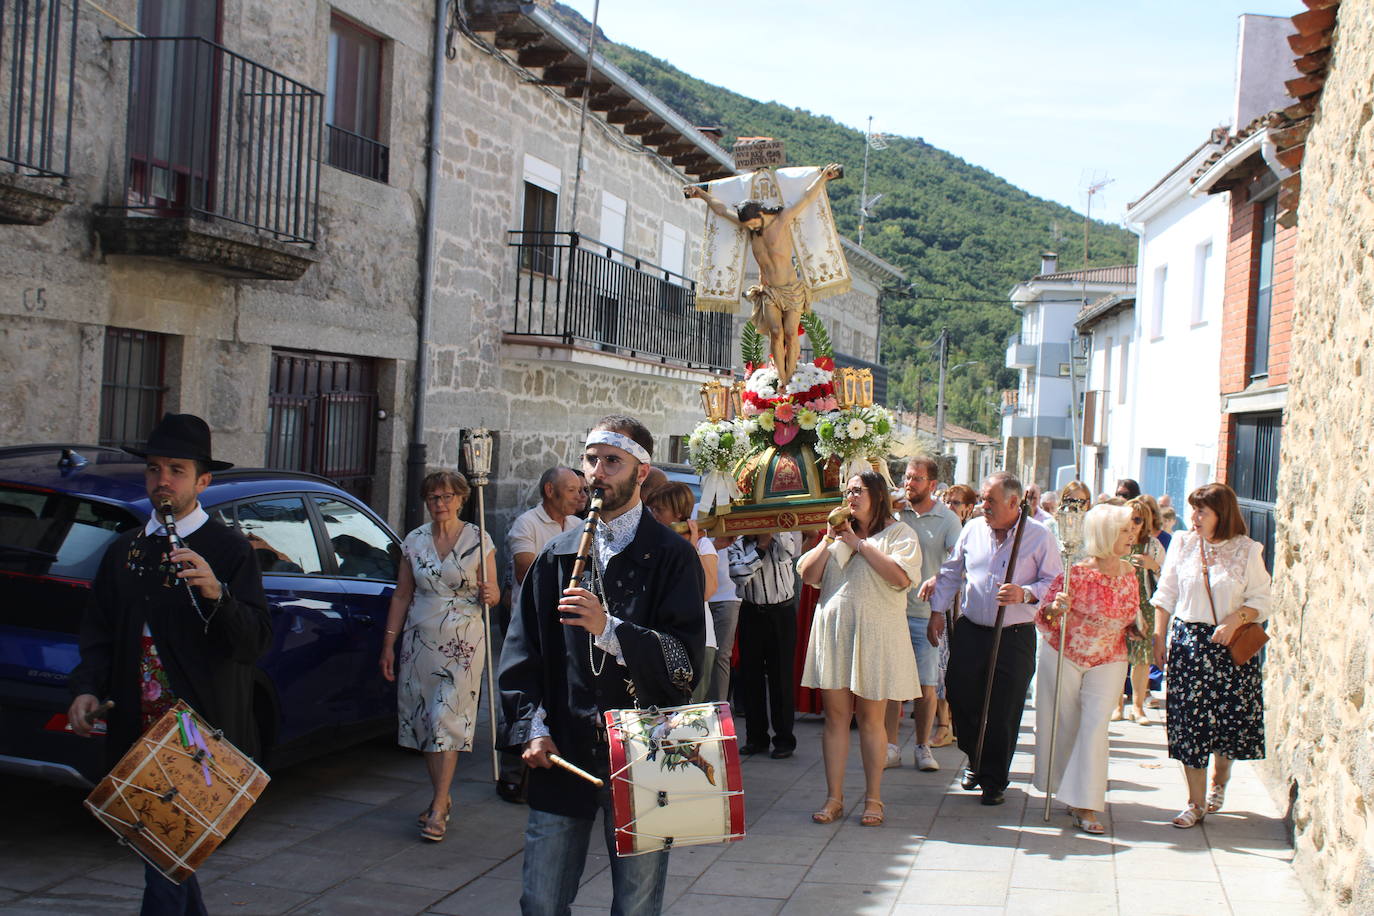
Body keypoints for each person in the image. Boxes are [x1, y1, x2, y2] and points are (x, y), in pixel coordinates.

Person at [497, 416, 706, 915]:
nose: (597, 472)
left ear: (641, 471)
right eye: (591, 459)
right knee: (540, 899)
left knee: (635, 903)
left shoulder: (674, 556)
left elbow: (684, 663)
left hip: (644, 745)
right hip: (565, 742)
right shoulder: (556, 554)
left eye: (612, 461)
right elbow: (522, 650)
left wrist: (610, 630)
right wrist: (531, 726)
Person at [67, 413, 271, 916]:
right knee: (165, 852)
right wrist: (87, 688)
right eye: (155, 469)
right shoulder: (124, 551)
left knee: (163, 851)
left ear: (202, 481)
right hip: (136, 724)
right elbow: (99, 633)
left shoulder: (229, 551)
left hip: (198, 731)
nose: (163, 480)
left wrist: (217, 593)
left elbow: (253, 642)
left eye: (176, 469)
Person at [928, 471, 1063, 806]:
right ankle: (975, 756)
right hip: (972, 630)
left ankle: (993, 778)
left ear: (1014, 502)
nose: (983, 505)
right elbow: (951, 571)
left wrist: (1026, 593)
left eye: (990, 499)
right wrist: (936, 611)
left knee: (1004, 709)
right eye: (982, 498)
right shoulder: (973, 529)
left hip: (1014, 636)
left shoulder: (1038, 536)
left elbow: (1057, 582)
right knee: (960, 696)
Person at [378, 470, 498, 841]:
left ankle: (438, 803)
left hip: (463, 641)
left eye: (447, 497)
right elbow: (401, 594)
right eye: (433, 498)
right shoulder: (413, 541)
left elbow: (493, 591)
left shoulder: (480, 538)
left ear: (461, 499)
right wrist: (388, 643)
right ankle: (441, 799)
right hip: (420, 638)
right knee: (428, 721)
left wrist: (489, 595)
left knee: (447, 717)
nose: (440, 504)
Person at [799, 472, 921, 827]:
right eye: (847, 491)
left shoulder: (900, 534)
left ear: (877, 494)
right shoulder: (837, 534)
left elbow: (901, 579)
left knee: (871, 719)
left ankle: (874, 799)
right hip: (835, 632)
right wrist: (827, 540)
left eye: (857, 490)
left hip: (876, 634)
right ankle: (833, 797)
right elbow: (808, 576)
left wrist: (858, 543)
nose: (850, 496)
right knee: (835, 718)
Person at [1150, 483, 1271, 829]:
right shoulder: (1184, 545)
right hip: (1189, 645)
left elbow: (1263, 599)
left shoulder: (1247, 551)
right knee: (1190, 726)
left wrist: (1236, 619)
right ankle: (1195, 802)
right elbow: (1166, 593)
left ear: (1222, 514)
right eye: (1194, 510)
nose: (1195, 517)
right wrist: (1160, 636)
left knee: (1226, 727)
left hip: (1230, 648)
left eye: (1203, 511)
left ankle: (1219, 782)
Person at [1033, 504, 1141, 834]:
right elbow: (1044, 617)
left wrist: (1136, 625)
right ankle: (1068, 789)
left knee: (1094, 727)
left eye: (1131, 529)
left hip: (1109, 657)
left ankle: (1086, 805)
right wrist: (1055, 607)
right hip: (1066, 654)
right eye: (1124, 530)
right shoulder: (1075, 573)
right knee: (1065, 725)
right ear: (1106, 534)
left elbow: (1130, 613)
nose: (1131, 534)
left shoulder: (1131, 573)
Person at [684, 163, 843, 383]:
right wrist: (702, 194)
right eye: (747, 226)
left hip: (791, 289)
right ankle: (783, 380)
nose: (750, 228)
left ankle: (790, 374)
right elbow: (720, 210)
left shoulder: (781, 220)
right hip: (768, 291)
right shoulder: (752, 230)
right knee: (776, 333)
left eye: (753, 223)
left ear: (760, 213)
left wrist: (824, 177)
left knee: (790, 333)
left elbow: (806, 198)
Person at [892, 457, 963, 772]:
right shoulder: (894, 512)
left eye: (917, 478)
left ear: (933, 485)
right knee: (890, 683)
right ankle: (890, 746)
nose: (909, 483)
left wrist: (939, 610)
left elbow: (957, 567)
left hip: (925, 615)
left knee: (926, 685)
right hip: (891, 611)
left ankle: (922, 746)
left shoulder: (948, 520)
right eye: (907, 477)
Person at [641, 482, 719, 704]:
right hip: (660, 636)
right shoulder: (653, 545)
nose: (653, 515)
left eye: (659, 510)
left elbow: (705, 592)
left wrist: (690, 550)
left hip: (698, 639)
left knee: (689, 713)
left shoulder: (703, 546)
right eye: (651, 509)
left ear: (677, 512)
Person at [729, 530, 802, 758]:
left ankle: (784, 739)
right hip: (752, 612)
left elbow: (787, 553)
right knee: (751, 677)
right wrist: (760, 548)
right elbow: (739, 574)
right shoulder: (737, 543)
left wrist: (771, 536)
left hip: (782, 613)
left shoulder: (782, 535)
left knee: (781, 677)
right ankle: (756, 738)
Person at [1114, 496, 1166, 724]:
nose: (1134, 524)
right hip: (1116, 603)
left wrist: (1152, 565)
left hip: (1142, 603)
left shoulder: (1152, 545)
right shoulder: (1114, 541)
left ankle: (1137, 706)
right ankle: (1117, 706)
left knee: (1142, 658)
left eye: (1138, 519)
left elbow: (1167, 577)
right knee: (1118, 656)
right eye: (1130, 518)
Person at [706, 535, 742, 701]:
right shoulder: (690, 510)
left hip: (729, 594)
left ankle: (720, 713)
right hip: (700, 593)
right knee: (701, 655)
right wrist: (713, 545)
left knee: (722, 655)